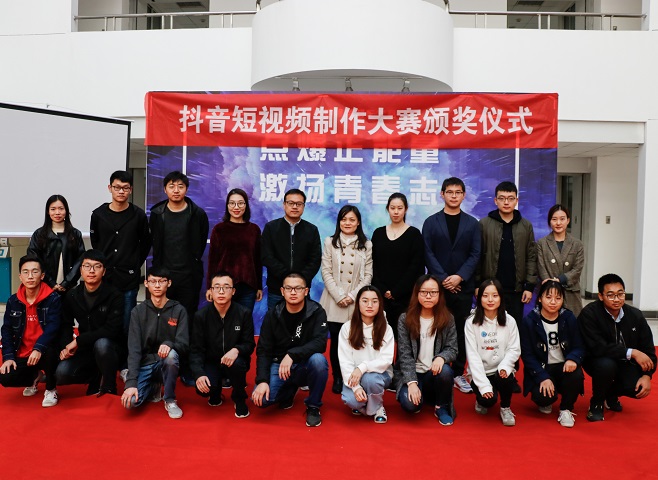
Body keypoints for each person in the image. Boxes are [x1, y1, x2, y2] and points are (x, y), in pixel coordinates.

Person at [422, 177, 480, 394]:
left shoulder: (472, 223)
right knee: (435, 327)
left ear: (463, 195)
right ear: (442, 194)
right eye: (449, 192)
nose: (453, 196)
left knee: (461, 330)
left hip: (463, 287)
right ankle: (434, 368)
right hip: (437, 288)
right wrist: (444, 279)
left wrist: (459, 277)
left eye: (458, 192)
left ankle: (457, 372)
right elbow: (427, 252)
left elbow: (475, 254)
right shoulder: (431, 222)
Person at [251, 273, 328, 427]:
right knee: (260, 400)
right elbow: (264, 350)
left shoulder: (317, 311)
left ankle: (313, 406)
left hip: (304, 363)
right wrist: (262, 381)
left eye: (298, 288)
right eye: (289, 288)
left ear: (306, 291)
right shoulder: (273, 314)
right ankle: (289, 390)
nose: (293, 292)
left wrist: (292, 354)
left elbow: (320, 343)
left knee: (319, 361)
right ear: (282, 291)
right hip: (278, 364)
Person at [578, 273, 656, 422]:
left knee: (638, 387)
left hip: (624, 361)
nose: (617, 299)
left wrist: (647, 376)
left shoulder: (635, 315)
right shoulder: (589, 314)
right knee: (606, 366)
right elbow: (597, 347)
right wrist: (632, 352)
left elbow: (648, 349)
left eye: (620, 294)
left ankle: (611, 395)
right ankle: (597, 402)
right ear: (600, 296)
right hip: (596, 359)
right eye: (610, 295)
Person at [121, 266, 189, 419]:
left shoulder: (179, 310)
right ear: (146, 284)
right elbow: (134, 349)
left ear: (169, 283)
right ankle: (152, 387)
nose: (157, 285)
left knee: (171, 356)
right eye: (153, 281)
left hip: (165, 364)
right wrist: (131, 383)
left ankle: (169, 399)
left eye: (161, 281)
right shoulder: (138, 312)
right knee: (130, 403)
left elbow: (184, 344)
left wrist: (170, 344)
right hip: (144, 364)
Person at [319, 205, 373, 395]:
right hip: (333, 301)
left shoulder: (366, 244)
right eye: (344, 219)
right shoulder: (330, 242)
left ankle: (353, 377)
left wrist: (352, 296)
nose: (347, 223)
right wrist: (339, 295)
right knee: (336, 341)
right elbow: (325, 270)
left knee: (356, 341)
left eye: (351, 219)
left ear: (358, 222)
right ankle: (338, 377)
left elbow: (368, 275)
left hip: (356, 301)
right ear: (339, 222)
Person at [56, 249, 124, 397]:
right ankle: (95, 376)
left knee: (102, 344)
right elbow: (66, 324)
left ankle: (109, 386)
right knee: (61, 373)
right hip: (85, 349)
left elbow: (111, 330)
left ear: (103, 271)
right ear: (81, 270)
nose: (91, 271)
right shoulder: (72, 295)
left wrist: (78, 341)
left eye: (97, 266)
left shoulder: (115, 295)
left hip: (110, 348)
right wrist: (66, 347)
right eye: (87, 266)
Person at [90, 170, 151, 332]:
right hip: (105, 278)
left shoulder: (138, 215)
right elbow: (96, 243)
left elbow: (146, 243)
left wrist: (134, 263)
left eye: (125, 188)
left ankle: (125, 349)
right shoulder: (98, 215)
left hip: (128, 278)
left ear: (131, 190)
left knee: (127, 325)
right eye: (117, 187)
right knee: (103, 322)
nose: (121, 191)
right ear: (110, 188)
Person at [520, 280, 585, 428]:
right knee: (543, 397)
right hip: (542, 367)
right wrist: (542, 376)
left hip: (563, 366)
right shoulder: (530, 321)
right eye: (548, 297)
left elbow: (579, 346)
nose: (553, 302)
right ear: (540, 298)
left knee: (576, 374)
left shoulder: (568, 318)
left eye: (558, 298)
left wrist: (572, 359)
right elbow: (527, 355)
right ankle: (546, 399)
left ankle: (566, 409)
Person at [191, 271, 255, 418]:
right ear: (210, 291)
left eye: (226, 287)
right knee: (203, 389)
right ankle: (215, 392)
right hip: (211, 362)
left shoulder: (243, 313)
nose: (221, 291)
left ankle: (239, 398)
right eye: (217, 287)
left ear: (233, 291)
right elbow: (196, 349)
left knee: (237, 363)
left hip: (235, 362)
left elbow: (249, 343)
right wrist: (199, 374)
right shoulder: (201, 316)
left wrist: (237, 350)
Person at [395, 274, 458, 425]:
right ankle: (421, 395)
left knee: (445, 371)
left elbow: (452, 348)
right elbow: (404, 354)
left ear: (439, 294)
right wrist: (411, 382)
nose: (428, 296)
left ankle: (441, 406)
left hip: (433, 372)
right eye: (424, 292)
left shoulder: (448, 319)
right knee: (410, 406)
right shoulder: (405, 319)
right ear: (416, 294)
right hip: (413, 372)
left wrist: (441, 357)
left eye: (433, 292)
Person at [0, 255, 61, 407]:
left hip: (45, 351)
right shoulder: (13, 300)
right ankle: (35, 376)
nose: (30, 276)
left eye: (35, 272)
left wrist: (38, 348)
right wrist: (8, 357)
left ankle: (51, 389)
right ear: (20, 276)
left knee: (50, 351)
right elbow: (6, 329)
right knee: (5, 377)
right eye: (26, 272)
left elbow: (53, 327)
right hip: (24, 353)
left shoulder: (53, 298)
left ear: (42, 275)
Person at [149, 170, 209, 321]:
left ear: (186, 189)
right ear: (165, 189)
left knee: (187, 316)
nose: (176, 190)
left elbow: (201, 243)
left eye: (180, 186)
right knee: (163, 317)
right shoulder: (157, 214)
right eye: (171, 186)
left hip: (189, 276)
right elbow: (153, 241)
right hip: (164, 275)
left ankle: (185, 338)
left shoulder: (198, 214)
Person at [477, 181, 537, 325]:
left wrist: (529, 286)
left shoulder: (526, 225)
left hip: (516, 290)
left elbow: (531, 257)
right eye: (502, 198)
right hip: (490, 289)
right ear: (495, 200)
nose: (506, 202)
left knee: (513, 327)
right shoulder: (484, 224)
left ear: (516, 200)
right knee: (488, 327)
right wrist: (477, 285)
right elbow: (477, 256)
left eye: (510, 198)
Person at [465, 279, 521, 426]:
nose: (490, 300)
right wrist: (483, 385)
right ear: (479, 298)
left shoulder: (510, 321)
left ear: (501, 297)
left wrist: (505, 366)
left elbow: (514, 349)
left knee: (505, 375)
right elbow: (472, 356)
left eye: (495, 295)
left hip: (500, 370)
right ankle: (481, 399)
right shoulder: (471, 322)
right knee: (488, 401)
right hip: (481, 371)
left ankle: (505, 407)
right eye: (485, 296)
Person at [371, 192, 425, 341]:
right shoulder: (378, 233)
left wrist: (396, 291)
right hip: (380, 296)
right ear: (387, 209)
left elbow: (416, 267)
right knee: (380, 339)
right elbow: (372, 264)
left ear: (405, 209)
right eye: (392, 208)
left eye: (400, 208)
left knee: (404, 339)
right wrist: (383, 290)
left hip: (405, 298)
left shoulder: (414, 234)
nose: (396, 212)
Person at [338, 285, 394, 424]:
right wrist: (356, 388)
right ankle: (368, 404)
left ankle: (377, 407)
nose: (370, 305)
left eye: (374, 301)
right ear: (358, 303)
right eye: (365, 301)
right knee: (351, 401)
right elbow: (345, 361)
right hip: (354, 376)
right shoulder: (347, 328)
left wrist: (362, 367)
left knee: (370, 379)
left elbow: (386, 359)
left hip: (380, 374)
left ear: (380, 304)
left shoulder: (386, 328)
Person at [261, 189, 321, 310]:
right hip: (277, 289)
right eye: (291, 203)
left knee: (303, 321)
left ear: (303, 206)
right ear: (284, 205)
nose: (295, 207)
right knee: (275, 320)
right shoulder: (271, 228)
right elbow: (266, 256)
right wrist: (286, 277)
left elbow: (315, 259)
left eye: (299, 204)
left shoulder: (312, 230)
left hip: (302, 289)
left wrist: (299, 281)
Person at [207, 188, 262, 312]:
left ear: (246, 205)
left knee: (244, 321)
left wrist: (259, 286)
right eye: (232, 203)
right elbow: (213, 260)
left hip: (248, 287)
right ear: (227, 206)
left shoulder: (254, 229)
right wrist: (210, 287)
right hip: (223, 287)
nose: (236, 207)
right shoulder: (219, 229)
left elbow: (257, 260)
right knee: (224, 321)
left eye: (240, 203)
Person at [27, 194, 85, 294]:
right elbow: (34, 260)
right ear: (48, 211)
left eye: (61, 209)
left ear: (66, 211)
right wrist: (51, 283)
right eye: (53, 209)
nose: (57, 212)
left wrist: (66, 283)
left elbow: (80, 261)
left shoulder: (75, 234)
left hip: (69, 288)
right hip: (44, 287)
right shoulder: (39, 234)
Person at [536, 204, 584, 316]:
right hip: (549, 292)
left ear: (568, 221)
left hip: (571, 292)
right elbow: (540, 266)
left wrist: (560, 279)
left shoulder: (577, 244)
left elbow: (577, 269)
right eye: (554, 219)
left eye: (562, 219)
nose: (558, 223)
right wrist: (550, 283)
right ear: (549, 221)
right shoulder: (542, 243)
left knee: (572, 323)